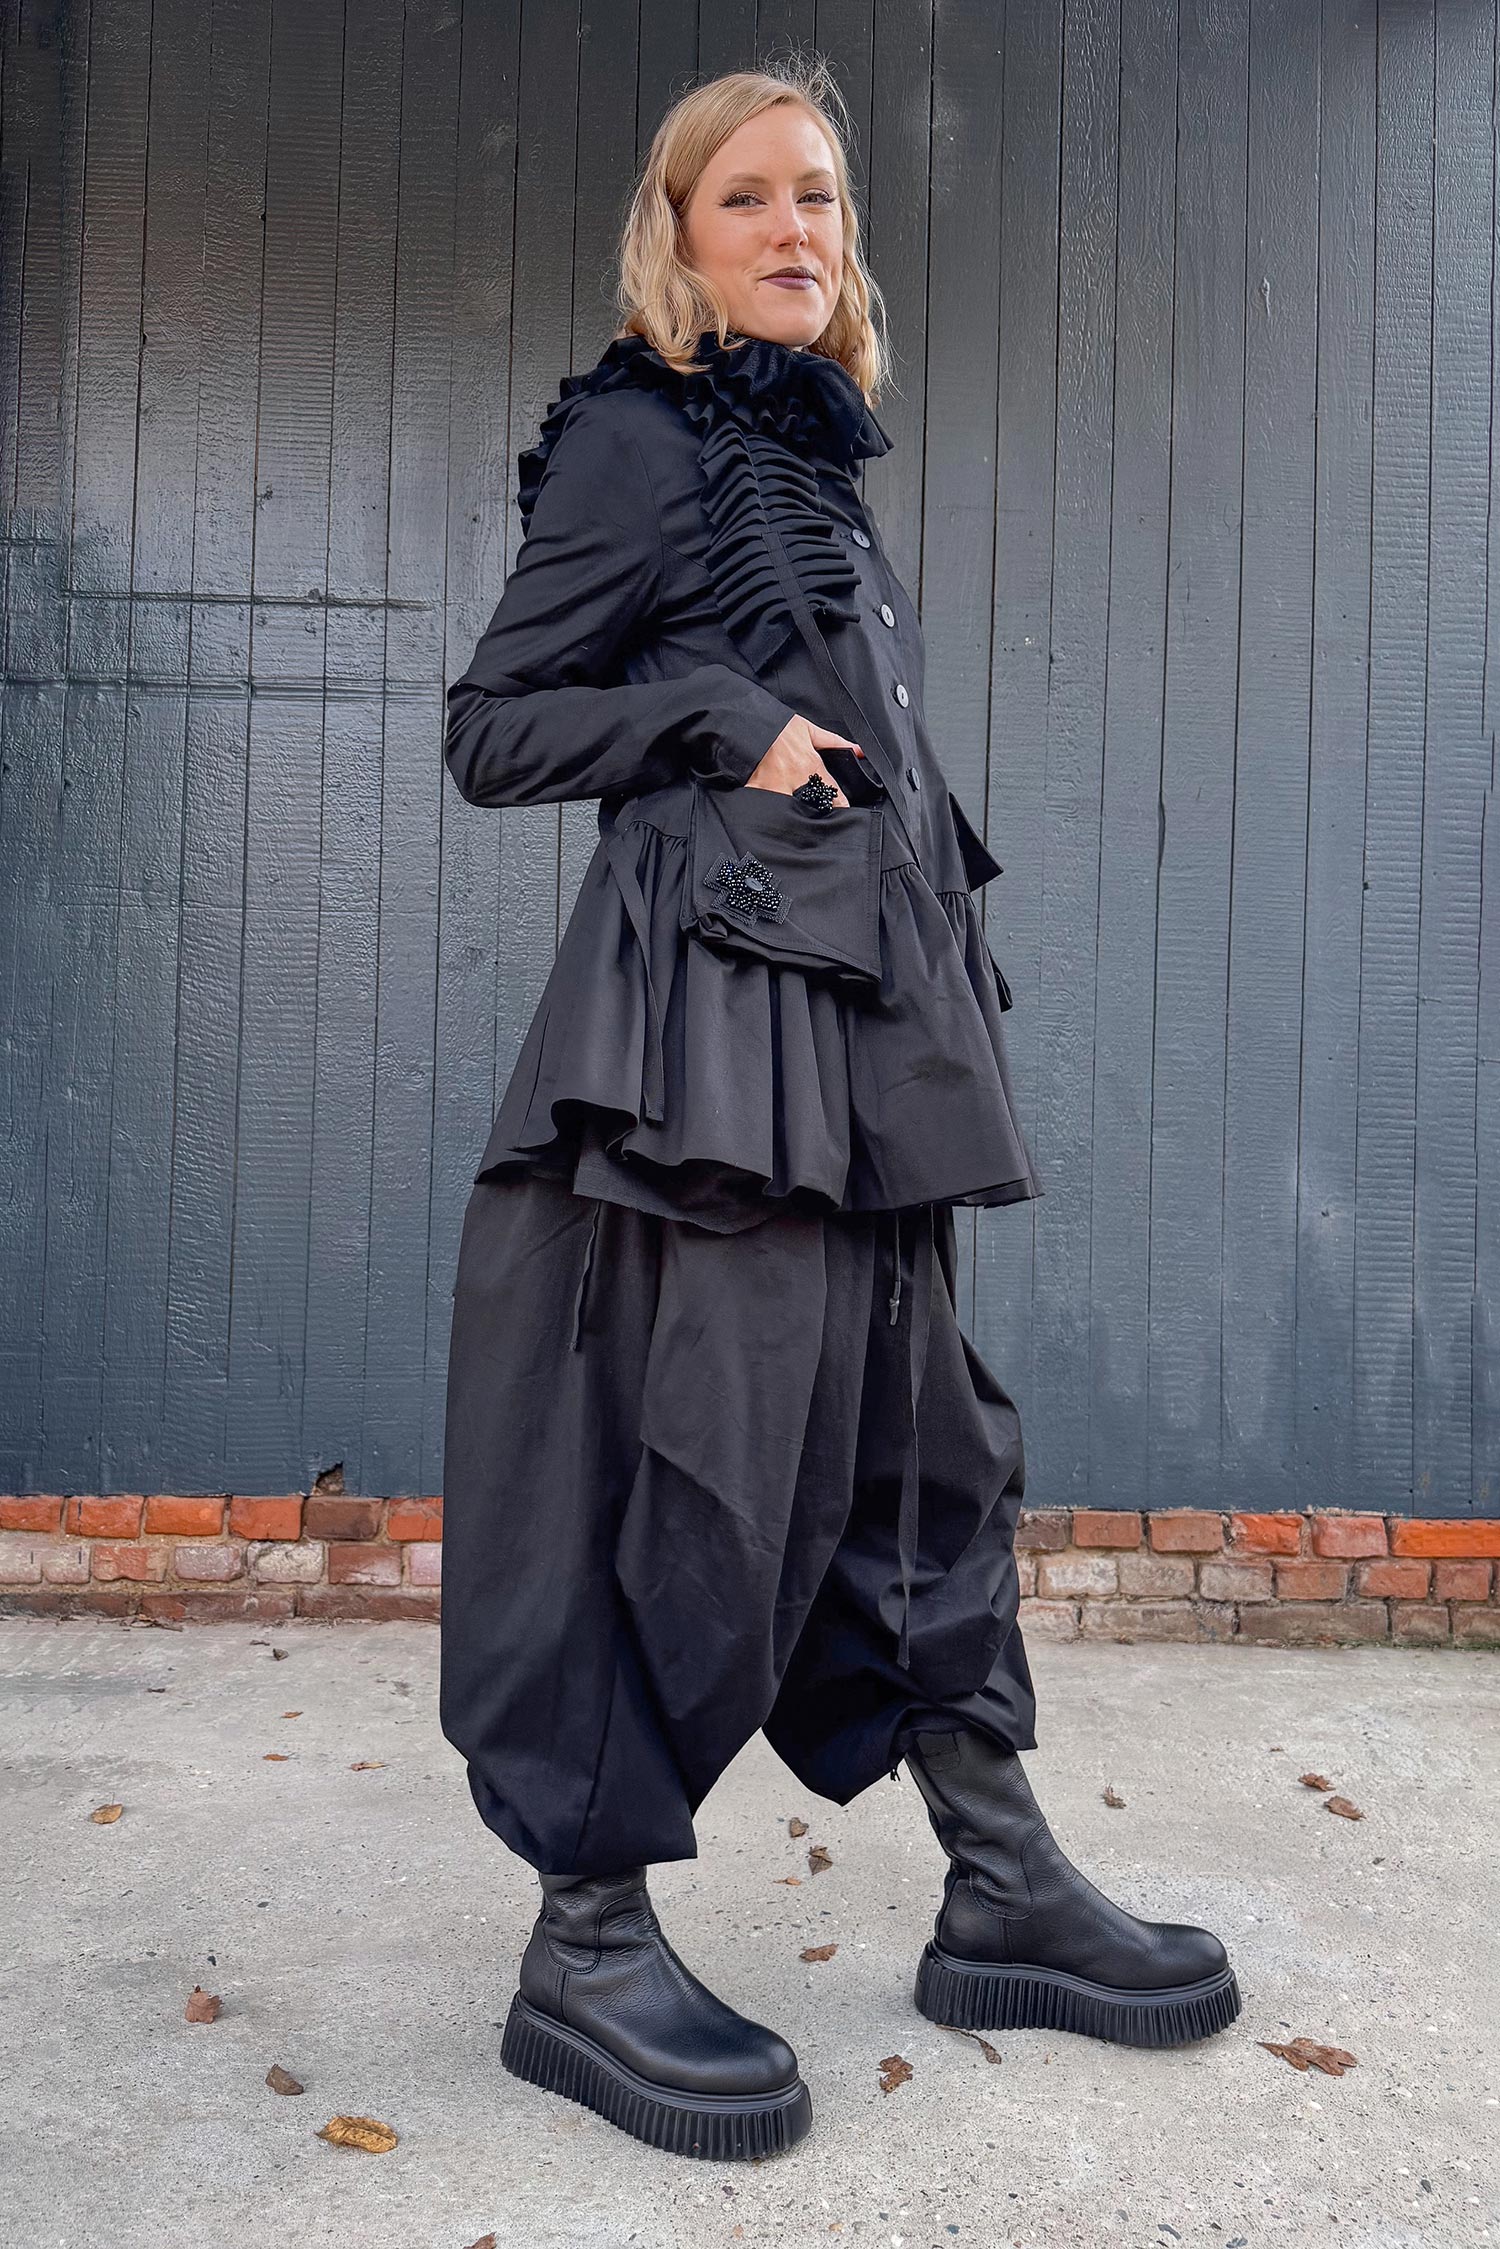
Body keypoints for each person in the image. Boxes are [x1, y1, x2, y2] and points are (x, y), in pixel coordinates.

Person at [438, 61, 1240, 2162]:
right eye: (749, 198)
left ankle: (1001, 1877)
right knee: (706, 1451)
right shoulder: (637, 431)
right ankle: (584, 1939)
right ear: (677, 233)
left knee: (921, 1449)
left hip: (870, 1032)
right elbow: (495, 726)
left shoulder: (804, 446)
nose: (797, 228)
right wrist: (721, 718)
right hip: (709, 1042)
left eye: (820, 196)